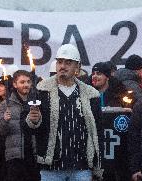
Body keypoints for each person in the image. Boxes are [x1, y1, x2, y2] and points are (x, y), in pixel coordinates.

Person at [23, 44, 103, 181]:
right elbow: (26, 127)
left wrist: (97, 165)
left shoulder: (91, 94)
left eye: (68, 62)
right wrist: (33, 121)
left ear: (77, 66)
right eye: (60, 62)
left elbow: (97, 131)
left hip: (82, 167)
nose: (62, 66)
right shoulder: (41, 91)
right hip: (51, 168)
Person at [0, 70, 40, 181]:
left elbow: (42, 128)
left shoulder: (37, 102)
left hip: (34, 156)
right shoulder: (5, 104)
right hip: (15, 157)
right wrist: (4, 120)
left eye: (28, 82)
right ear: (15, 84)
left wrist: (37, 120)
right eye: (22, 82)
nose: (26, 85)